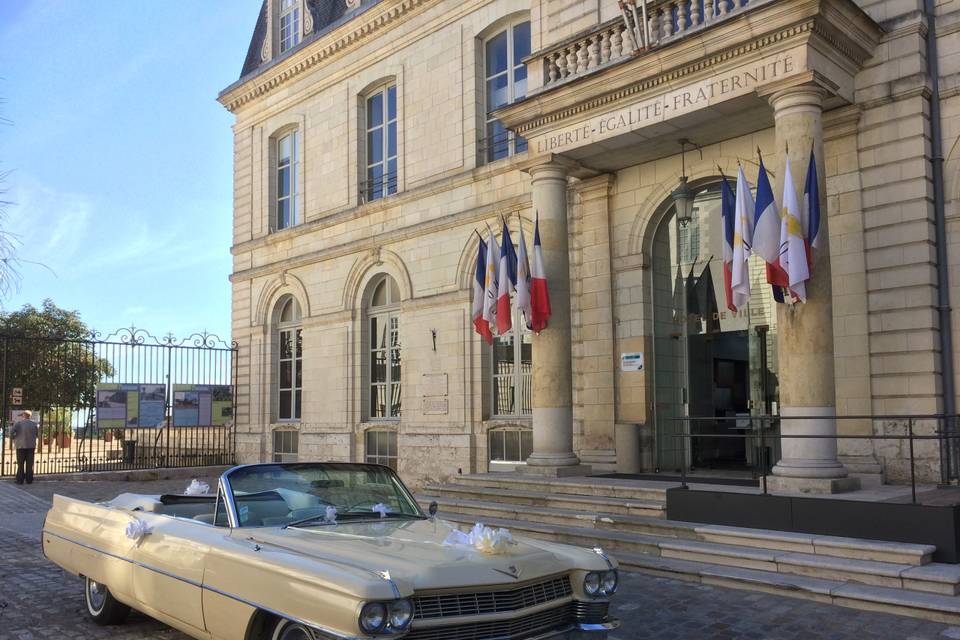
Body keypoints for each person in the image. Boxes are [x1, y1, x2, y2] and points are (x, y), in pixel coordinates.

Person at [11, 410, 38, 485]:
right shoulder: (34, 424)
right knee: (29, 464)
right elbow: (37, 434)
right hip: (31, 446)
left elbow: (11, 432)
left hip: (20, 446)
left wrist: (15, 438)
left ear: (23, 415)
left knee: (20, 464)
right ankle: (29, 480)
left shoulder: (18, 424)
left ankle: (20, 480)